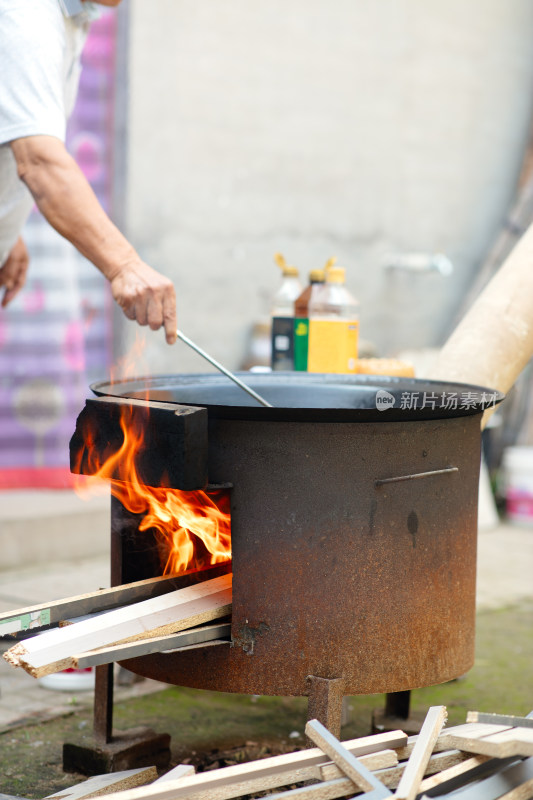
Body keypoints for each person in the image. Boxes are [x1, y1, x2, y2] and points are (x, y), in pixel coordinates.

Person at [0, 0, 177, 344]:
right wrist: (124, 265)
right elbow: (39, 160)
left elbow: (12, 122)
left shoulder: (71, 14)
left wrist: (7, 228)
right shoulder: (26, 14)